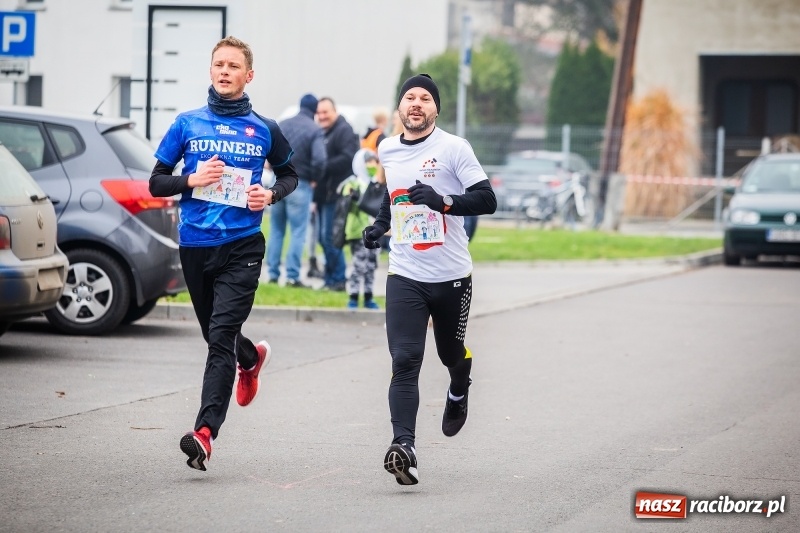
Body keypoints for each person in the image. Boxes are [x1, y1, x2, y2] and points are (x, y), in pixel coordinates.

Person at [148, 36, 298, 472]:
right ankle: (249, 360)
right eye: (219, 64)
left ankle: (204, 433)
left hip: (243, 246)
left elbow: (290, 175)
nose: (225, 71)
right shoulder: (187, 124)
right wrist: (190, 180)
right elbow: (157, 182)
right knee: (216, 336)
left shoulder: (265, 128)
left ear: (248, 75)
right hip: (196, 244)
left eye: (234, 66)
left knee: (218, 339)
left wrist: (267, 195)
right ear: (211, 71)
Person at [362, 74, 497, 485]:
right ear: (400, 108)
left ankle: (460, 384)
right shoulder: (386, 148)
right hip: (405, 272)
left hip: (452, 275)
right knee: (404, 360)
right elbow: (393, 197)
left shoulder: (454, 148)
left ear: (436, 108)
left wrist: (444, 202)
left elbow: (488, 199)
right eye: (409, 97)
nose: (416, 103)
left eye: (425, 98)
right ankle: (404, 447)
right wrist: (379, 226)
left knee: (449, 353)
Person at [266, 93, 327, 287]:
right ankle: (292, 276)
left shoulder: (283, 124)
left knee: (276, 230)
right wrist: (315, 178)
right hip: (301, 184)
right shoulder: (315, 130)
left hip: (278, 183)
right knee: (298, 231)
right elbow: (320, 159)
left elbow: (270, 149)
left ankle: (273, 274)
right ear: (315, 111)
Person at [314, 97, 360, 291]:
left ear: (335, 111)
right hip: (325, 195)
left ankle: (338, 279)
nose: (322, 116)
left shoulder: (343, 130)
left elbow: (349, 158)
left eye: (326, 112)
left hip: (338, 195)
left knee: (331, 238)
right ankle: (330, 278)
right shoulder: (324, 132)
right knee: (323, 238)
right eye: (320, 113)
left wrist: (323, 165)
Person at [340, 149, 383, 309]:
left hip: (376, 232)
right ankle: (353, 296)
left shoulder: (377, 183)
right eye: (368, 162)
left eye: (374, 162)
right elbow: (346, 197)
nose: (372, 165)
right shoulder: (353, 183)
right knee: (359, 265)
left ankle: (368, 296)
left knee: (372, 265)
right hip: (358, 232)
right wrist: (354, 196)